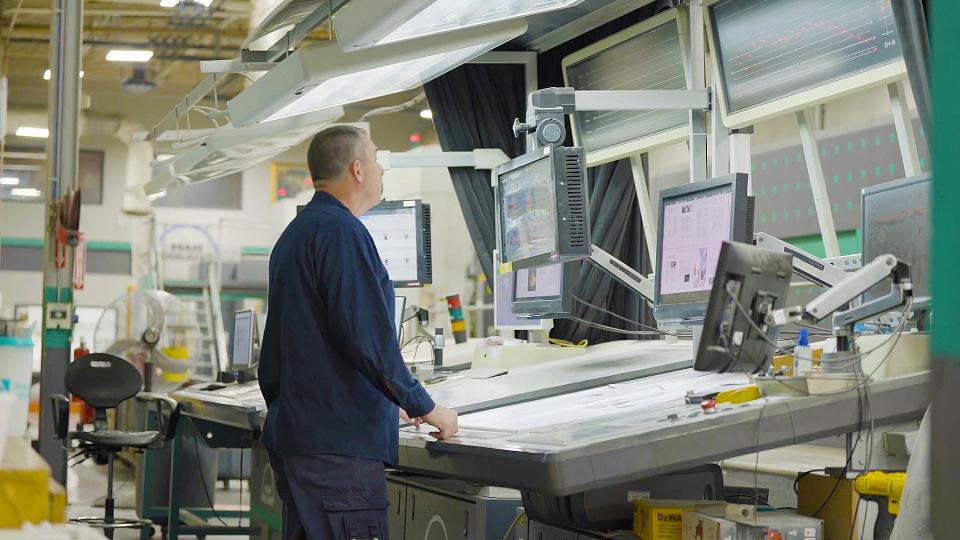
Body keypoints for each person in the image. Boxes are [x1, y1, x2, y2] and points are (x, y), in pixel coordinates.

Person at [258, 125, 459, 540]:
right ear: (357, 169)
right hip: (337, 451)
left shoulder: (296, 235)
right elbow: (368, 342)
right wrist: (424, 405)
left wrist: (384, 400)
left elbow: (317, 343)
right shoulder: (344, 234)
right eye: (375, 158)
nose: (382, 167)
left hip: (300, 439)